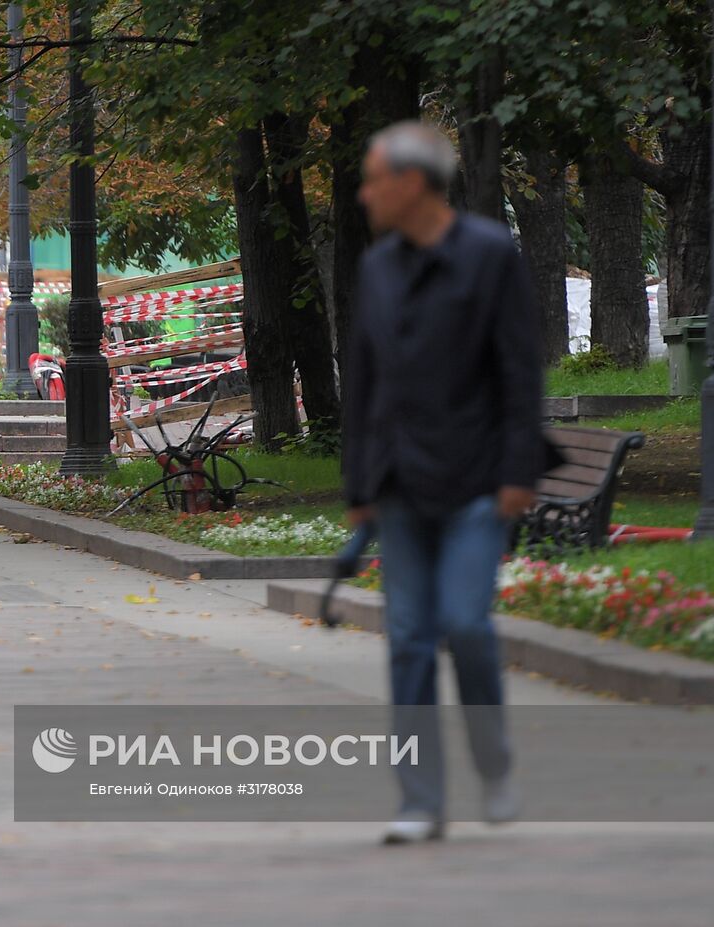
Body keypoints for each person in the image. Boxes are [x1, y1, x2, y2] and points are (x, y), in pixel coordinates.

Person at [343, 121, 544, 844]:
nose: (364, 194)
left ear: (412, 182)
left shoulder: (490, 256)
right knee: (408, 641)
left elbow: (521, 372)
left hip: (477, 481)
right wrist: (358, 481)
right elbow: (364, 381)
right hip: (400, 483)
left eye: (373, 179)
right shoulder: (377, 267)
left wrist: (519, 471)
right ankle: (420, 799)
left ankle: (493, 763)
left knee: (463, 622)